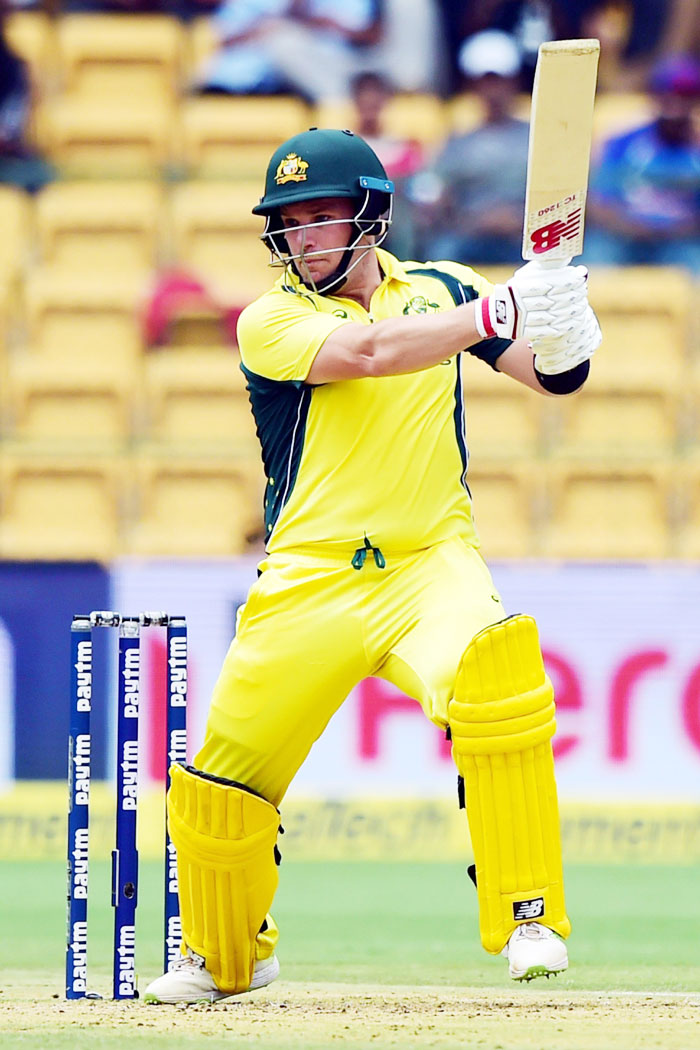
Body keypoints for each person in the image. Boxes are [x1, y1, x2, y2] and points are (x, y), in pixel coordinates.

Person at [143, 127, 601, 1005]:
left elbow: (551, 380)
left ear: (372, 219)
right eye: (291, 223)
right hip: (308, 577)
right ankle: (225, 952)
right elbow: (367, 356)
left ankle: (528, 914)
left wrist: (564, 329)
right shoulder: (270, 319)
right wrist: (497, 312)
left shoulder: (444, 289)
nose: (305, 239)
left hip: (431, 563)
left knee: (497, 675)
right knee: (223, 777)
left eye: (323, 218)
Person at [414, 30, 530, 265]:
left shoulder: (536, 138)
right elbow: (432, 192)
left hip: (528, 237)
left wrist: (519, 219)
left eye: (499, 81)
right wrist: (471, 220)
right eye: (485, 82)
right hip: (469, 235)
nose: (493, 91)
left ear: (514, 82)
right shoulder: (456, 144)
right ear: (473, 86)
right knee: (442, 254)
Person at [584, 54, 700, 273]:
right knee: (596, 261)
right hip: (624, 235)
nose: (675, 104)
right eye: (667, 95)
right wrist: (630, 227)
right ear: (654, 97)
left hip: (681, 240)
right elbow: (598, 204)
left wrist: (678, 229)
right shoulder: (623, 143)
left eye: (685, 95)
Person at [194, 0, 383, 103]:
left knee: (286, 44)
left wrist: (326, 23)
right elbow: (221, 40)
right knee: (283, 43)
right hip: (246, 82)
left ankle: (339, 106)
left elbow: (371, 36)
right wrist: (266, 26)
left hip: (335, 67)